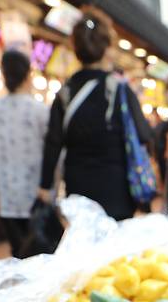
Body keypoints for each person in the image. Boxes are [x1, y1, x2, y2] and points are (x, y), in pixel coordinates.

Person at [40, 13, 152, 220]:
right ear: (107, 48)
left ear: (76, 49)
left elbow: (53, 142)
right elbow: (144, 134)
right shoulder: (120, 89)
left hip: (78, 187)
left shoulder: (65, 92)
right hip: (116, 187)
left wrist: (45, 185)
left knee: (83, 235)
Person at [0, 50, 49, 257]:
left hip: (6, 194)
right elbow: (52, 151)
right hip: (38, 193)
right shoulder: (40, 110)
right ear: (28, 74)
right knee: (44, 251)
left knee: (19, 251)